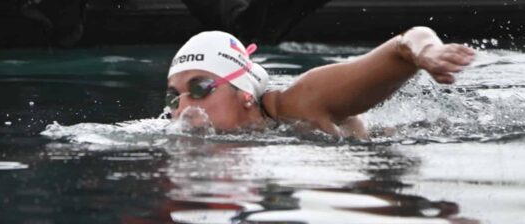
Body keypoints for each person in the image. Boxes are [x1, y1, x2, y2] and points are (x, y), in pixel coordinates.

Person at [166, 27, 476, 139]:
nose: (184, 107)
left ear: (245, 93)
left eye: (200, 88)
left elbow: (405, 44)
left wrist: (430, 53)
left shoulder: (300, 102)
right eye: (174, 97)